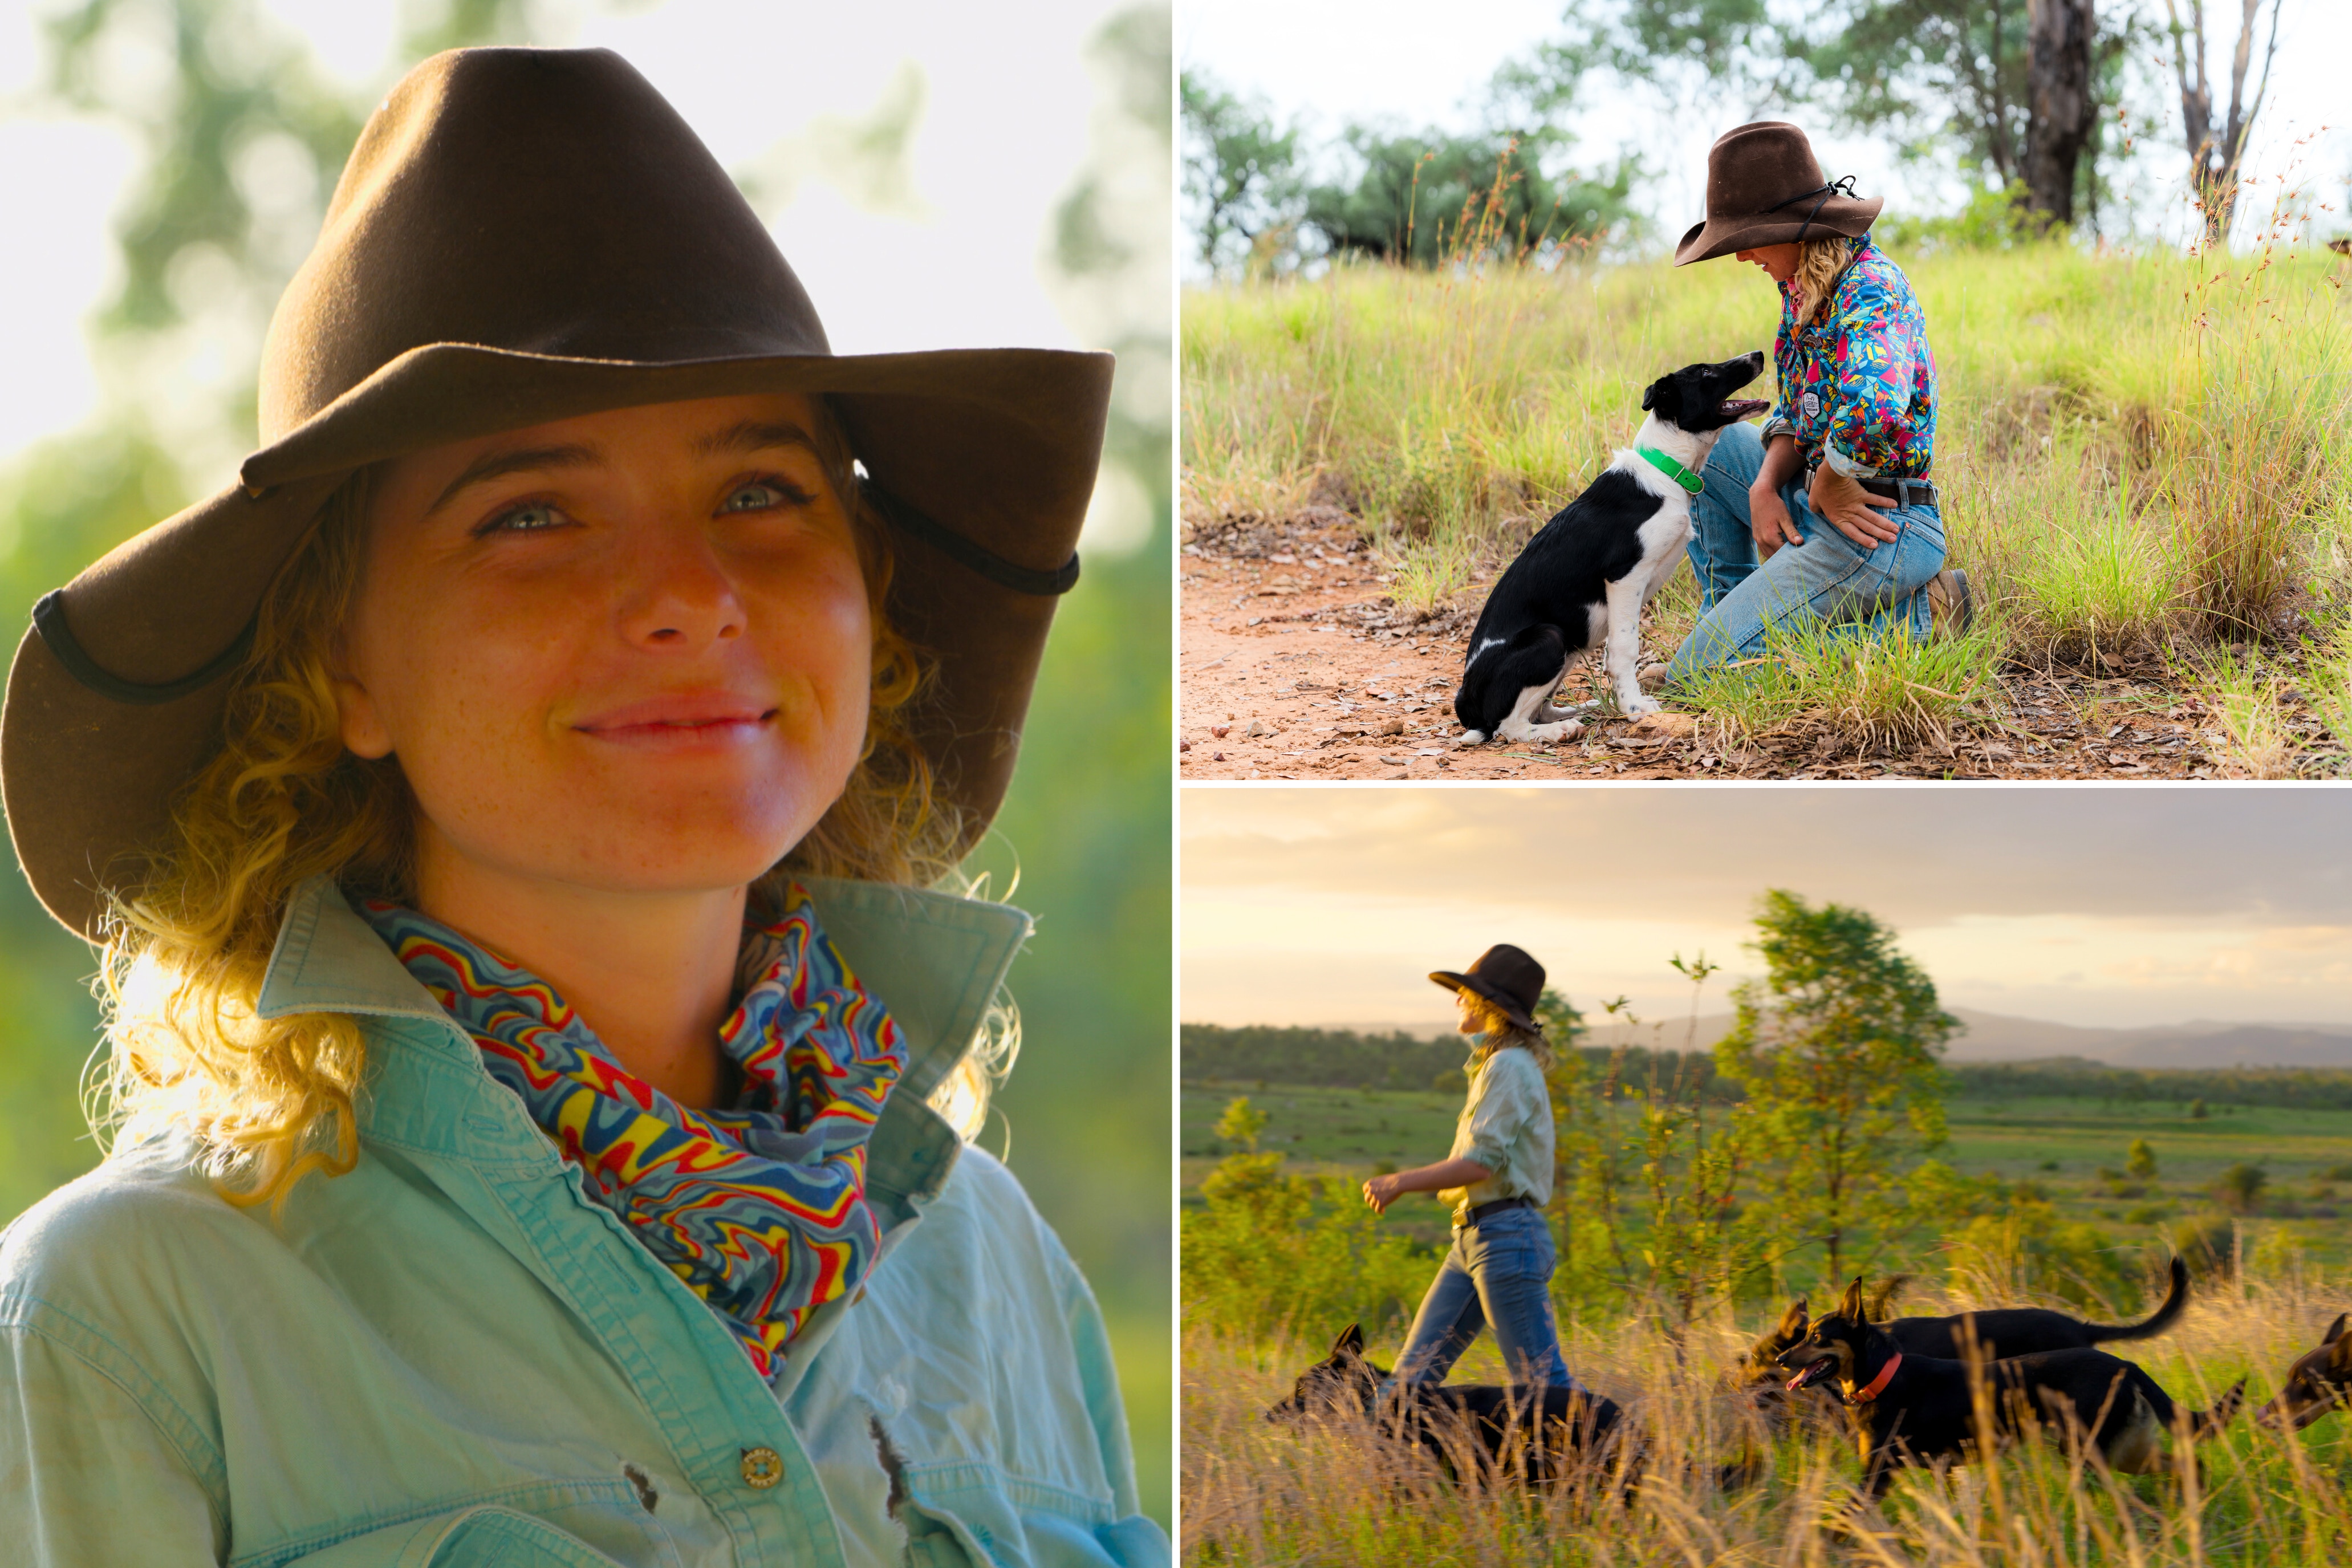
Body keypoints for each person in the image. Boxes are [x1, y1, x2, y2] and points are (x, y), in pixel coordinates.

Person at [0, 47, 1163, 1568]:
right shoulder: (121, 1313)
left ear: (867, 603)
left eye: (761, 492)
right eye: (530, 515)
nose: (689, 593)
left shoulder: (995, 1260)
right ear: (342, 666)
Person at [1659, 121, 1970, 691]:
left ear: (1794, 230)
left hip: (1880, 524)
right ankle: (1725, 617)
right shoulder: (1803, 289)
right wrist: (1764, 486)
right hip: (1817, 501)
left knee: (1698, 676)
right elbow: (1798, 410)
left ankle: (1919, 618)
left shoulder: (1872, 289)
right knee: (1702, 438)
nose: (1742, 256)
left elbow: (1876, 403)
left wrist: (1832, 475)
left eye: (1747, 238)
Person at [1360, 945, 1582, 1394]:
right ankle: (1385, 1463)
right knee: (1408, 1384)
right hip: (1476, 1237)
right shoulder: (1496, 1065)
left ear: (1489, 1005)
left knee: (1544, 1387)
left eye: (1465, 993)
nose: (1458, 999)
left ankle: (1640, 1461)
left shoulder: (1506, 1067)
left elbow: (1479, 1165)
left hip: (1505, 1239)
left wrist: (1399, 1181)